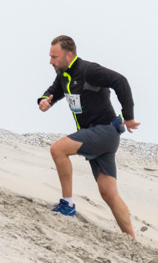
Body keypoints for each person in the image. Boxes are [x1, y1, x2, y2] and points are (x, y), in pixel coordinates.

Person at [37, 36, 139, 237]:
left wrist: (128, 116)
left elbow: (120, 81)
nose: (51, 61)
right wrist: (44, 100)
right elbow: (52, 92)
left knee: (58, 149)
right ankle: (131, 239)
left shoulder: (88, 70)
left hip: (104, 131)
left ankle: (67, 205)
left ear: (68, 55)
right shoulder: (63, 76)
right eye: (50, 57)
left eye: (54, 57)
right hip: (101, 137)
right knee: (108, 193)